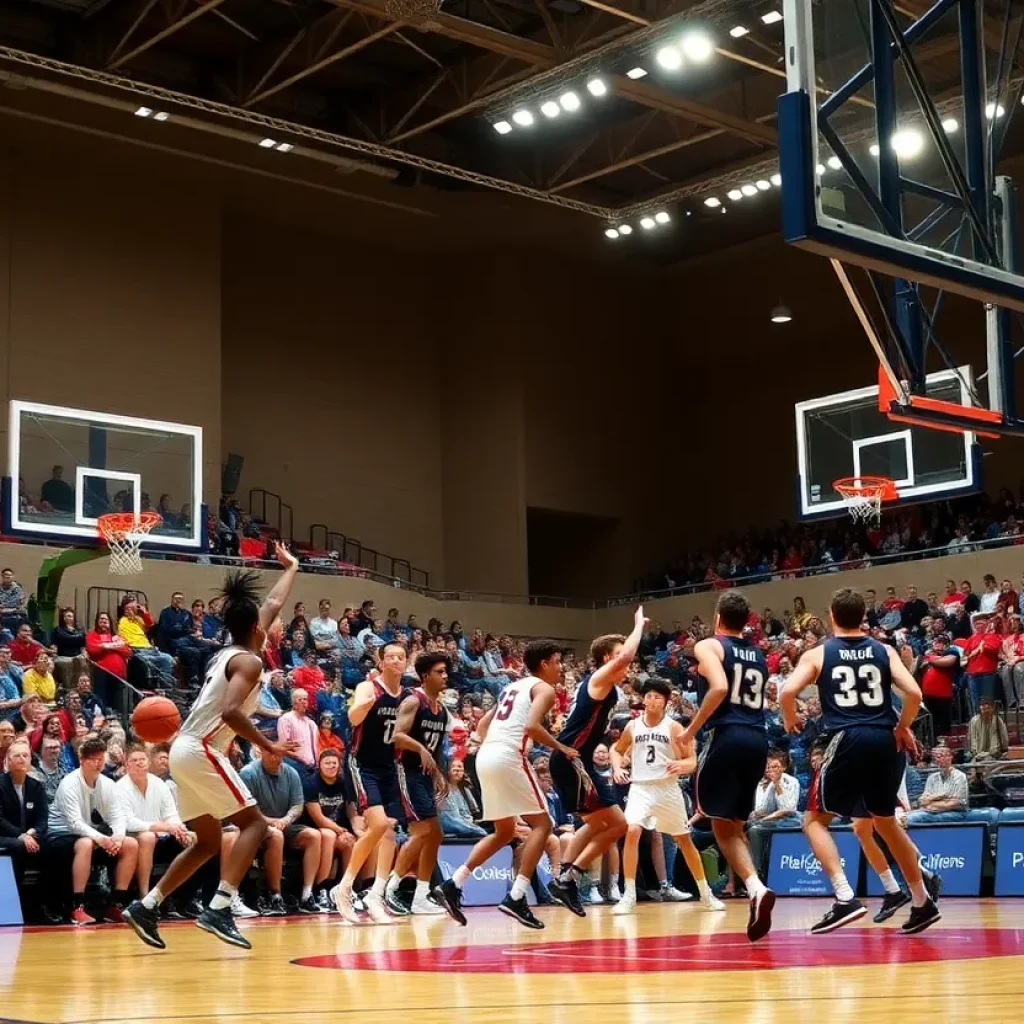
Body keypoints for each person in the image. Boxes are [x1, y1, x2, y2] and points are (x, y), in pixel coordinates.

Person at [121, 542, 301, 951]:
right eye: (268, 621)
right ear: (258, 628)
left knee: (206, 841)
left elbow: (272, 600)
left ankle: (147, 906)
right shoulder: (251, 663)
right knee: (255, 824)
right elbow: (233, 711)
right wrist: (267, 744)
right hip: (202, 748)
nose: (275, 621)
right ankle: (219, 908)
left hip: (185, 749)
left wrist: (292, 567)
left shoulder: (232, 652)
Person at [781, 587, 940, 936]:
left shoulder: (819, 653)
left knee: (813, 821)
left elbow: (786, 691)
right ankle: (921, 900)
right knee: (885, 821)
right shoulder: (883, 650)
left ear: (831, 616)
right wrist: (902, 727)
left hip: (849, 736)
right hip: (886, 739)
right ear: (863, 618)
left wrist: (790, 717)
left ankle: (844, 898)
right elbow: (914, 693)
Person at [432, 639, 579, 929]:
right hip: (509, 755)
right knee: (544, 825)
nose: (561, 669)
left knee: (504, 832)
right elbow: (532, 728)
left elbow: (484, 726)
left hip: (486, 757)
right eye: (558, 662)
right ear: (546, 663)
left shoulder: (512, 687)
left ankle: (453, 884)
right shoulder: (544, 689)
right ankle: (516, 896)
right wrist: (562, 748)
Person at [682, 591, 774, 942]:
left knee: (722, 830)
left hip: (727, 735)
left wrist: (691, 729)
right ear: (747, 619)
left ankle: (755, 887)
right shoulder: (759, 655)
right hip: (757, 737)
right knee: (734, 827)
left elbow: (719, 687)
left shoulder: (710, 645)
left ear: (718, 616)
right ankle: (755, 891)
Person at [547, 607, 646, 917]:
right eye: (617, 654)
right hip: (571, 759)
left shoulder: (608, 688)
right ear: (607, 658)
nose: (627, 663)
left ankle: (564, 878)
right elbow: (626, 657)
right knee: (618, 824)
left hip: (575, 761)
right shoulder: (599, 680)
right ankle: (570, 877)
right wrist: (638, 625)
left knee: (595, 825)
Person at [609, 677, 724, 915]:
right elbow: (617, 750)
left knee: (684, 839)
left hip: (668, 789)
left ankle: (705, 893)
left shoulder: (673, 727)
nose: (651, 701)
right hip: (640, 787)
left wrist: (682, 765)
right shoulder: (632, 726)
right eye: (648, 696)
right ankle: (628, 895)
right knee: (632, 831)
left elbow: (691, 760)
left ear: (665, 702)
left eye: (656, 697)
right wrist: (618, 767)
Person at [330, 643, 409, 924]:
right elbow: (353, 718)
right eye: (391, 657)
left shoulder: (409, 694)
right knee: (378, 825)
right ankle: (345, 887)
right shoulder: (369, 687)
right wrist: (366, 703)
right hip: (362, 765)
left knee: (389, 832)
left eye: (401, 657)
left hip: (391, 766)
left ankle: (376, 895)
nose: (396, 661)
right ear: (381, 661)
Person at [46, 735, 140, 925]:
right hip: (60, 834)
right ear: (81, 760)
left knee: (130, 844)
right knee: (86, 843)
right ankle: (77, 907)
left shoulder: (107, 784)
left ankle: (116, 905)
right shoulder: (69, 784)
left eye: (101, 759)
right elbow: (74, 824)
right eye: (93, 760)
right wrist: (103, 839)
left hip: (91, 833)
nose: (98, 764)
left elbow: (117, 815)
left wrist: (118, 838)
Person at [384, 652, 451, 916]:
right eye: (439, 672)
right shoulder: (414, 700)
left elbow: (434, 751)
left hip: (424, 775)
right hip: (404, 771)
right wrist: (419, 748)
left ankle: (422, 895)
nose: (445, 676)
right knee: (423, 831)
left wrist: (439, 774)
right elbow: (396, 737)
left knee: (436, 834)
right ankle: (390, 887)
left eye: (445, 672)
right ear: (425, 676)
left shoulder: (442, 710)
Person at [117, 745, 200, 915]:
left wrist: (180, 829)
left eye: (142, 760)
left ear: (148, 762)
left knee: (195, 839)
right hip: (133, 839)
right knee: (147, 837)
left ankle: (186, 899)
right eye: (134, 761)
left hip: (162, 837)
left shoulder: (159, 784)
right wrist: (161, 826)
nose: (139, 764)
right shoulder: (120, 787)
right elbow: (129, 822)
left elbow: (171, 814)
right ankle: (145, 897)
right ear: (127, 765)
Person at [240, 749, 323, 916]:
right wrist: (271, 822)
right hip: (256, 826)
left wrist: (285, 820)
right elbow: (249, 809)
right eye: (272, 754)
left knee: (314, 836)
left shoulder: (291, 773)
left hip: (285, 823)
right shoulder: (248, 773)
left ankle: (307, 895)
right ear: (261, 753)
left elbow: (297, 806)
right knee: (275, 836)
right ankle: (275, 895)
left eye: (280, 755)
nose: (277, 759)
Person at [300, 748, 356, 911]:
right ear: (319, 765)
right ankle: (320, 890)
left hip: (337, 829)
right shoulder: (311, 783)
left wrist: (352, 829)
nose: (331, 766)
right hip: (315, 828)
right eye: (327, 763)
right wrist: (341, 830)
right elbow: (319, 819)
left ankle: (345, 888)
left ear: (339, 765)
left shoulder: (343, 783)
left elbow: (350, 808)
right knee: (328, 835)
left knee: (350, 842)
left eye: (334, 763)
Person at [0, 738, 48, 906]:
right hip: (5, 836)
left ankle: (48, 904)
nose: (21, 758)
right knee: (18, 846)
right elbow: (0, 820)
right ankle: (15, 902)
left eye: (25, 755)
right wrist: (20, 835)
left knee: (56, 846)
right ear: (8, 760)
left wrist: (32, 833)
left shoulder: (36, 786)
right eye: (17, 755)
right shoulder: (1, 784)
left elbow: (43, 819)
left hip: (30, 836)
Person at [908, 745, 970, 823]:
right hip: (932, 812)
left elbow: (957, 803)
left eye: (941, 756)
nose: (938, 760)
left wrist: (931, 804)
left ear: (950, 757)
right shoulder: (932, 777)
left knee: (915, 818)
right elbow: (922, 801)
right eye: (936, 757)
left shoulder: (960, 776)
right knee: (909, 815)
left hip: (956, 813)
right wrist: (940, 796)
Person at [439, 759, 486, 838]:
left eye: (460, 768)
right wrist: (476, 829)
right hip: (456, 825)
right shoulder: (444, 790)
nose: (457, 771)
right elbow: (451, 819)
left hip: (468, 823)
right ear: (447, 771)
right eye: (453, 767)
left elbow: (473, 813)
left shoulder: (466, 789)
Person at [967, 696, 1009, 762]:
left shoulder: (998, 720)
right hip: (978, 755)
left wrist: (1003, 750)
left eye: (988, 708)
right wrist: (975, 753)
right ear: (980, 709)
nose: (986, 711)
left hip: (995, 755)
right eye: (983, 709)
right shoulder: (974, 721)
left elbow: (1004, 738)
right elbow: (972, 739)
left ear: (992, 709)